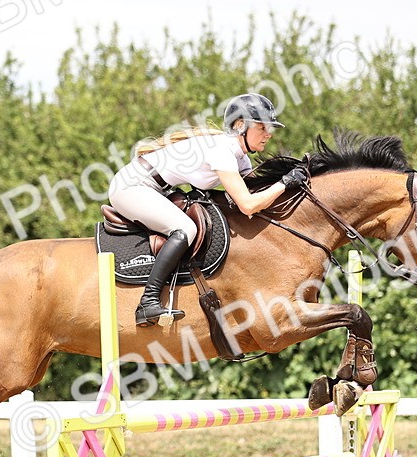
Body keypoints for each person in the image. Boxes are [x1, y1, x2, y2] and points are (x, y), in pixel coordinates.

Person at [108, 93, 310, 326]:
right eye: (262, 126)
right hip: (131, 186)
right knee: (185, 228)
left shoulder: (240, 158)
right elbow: (248, 205)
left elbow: (256, 197)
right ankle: (148, 302)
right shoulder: (222, 151)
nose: (269, 133)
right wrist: (284, 184)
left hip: (156, 188)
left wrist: (289, 183)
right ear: (240, 125)